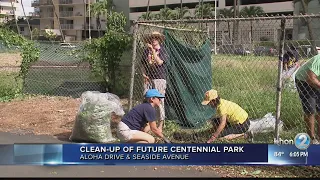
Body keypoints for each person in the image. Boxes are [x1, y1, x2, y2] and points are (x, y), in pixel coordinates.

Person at [141, 31, 168, 131]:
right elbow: (143, 64)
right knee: (148, 100)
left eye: (156, 38)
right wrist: (143, 74)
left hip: (159, 78)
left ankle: (160, 125)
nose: (154, 39)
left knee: (159, 101)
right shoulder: (145, 51)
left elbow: (159, 62)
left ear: (159, 39)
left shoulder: (163, 50)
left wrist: (153, 50)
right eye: (152, 38)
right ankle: (149, 123)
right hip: (149, 79)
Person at [295, 54, 320, 144]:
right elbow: (310, 78)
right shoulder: (319, 60)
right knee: (311, 110)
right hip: (304, 81)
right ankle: (311, 139)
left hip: (317, 81)